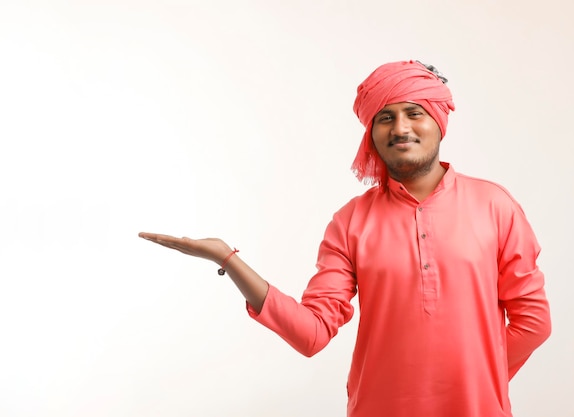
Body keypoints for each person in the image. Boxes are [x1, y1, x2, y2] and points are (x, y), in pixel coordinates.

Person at [139, 59, 551, 417]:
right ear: (371, 133)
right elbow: (312, 332)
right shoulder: (352, 221)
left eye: (414, 112)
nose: (401, 128)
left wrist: (475, 379)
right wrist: (228, 259)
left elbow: (533, 322)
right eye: (385, 118)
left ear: (439, 121)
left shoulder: (495, 205)